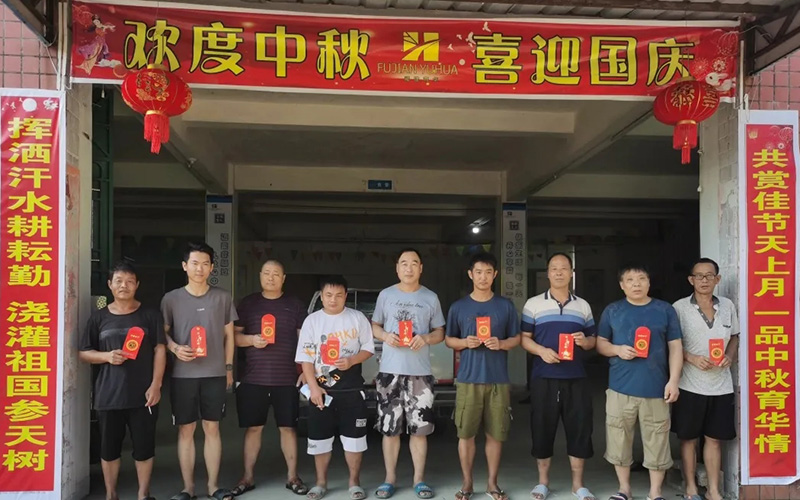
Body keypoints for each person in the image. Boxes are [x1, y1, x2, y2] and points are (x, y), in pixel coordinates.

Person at [79, 261, 166, 500]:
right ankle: (111, 494)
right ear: (110, 284)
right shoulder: (98, 318)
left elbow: (160, 349)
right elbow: (84, 353)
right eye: (118, 281)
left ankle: (143, 493)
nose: (124, 286)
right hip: (108, 395)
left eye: (129, 281)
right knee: (109, 449)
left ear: (137, 285)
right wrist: (106, 356)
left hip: (144, 394)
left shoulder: (150, 315)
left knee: (144, 447)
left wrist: (156, 384)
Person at [596, 265, 683, 500]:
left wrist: (673, 380)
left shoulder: (664, 310)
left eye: (642, 278)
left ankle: (655, 493)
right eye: (630, 279)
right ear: (622, 285)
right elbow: (600, 343)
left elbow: (675, 347)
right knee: (619, 438)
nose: (636, 283)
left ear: (649, 283)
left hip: (655, 387)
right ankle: (624, 489)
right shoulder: (613, 310)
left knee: (658, 440)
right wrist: (617, 350)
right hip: (620, 387)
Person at [162, 242, 237, 500]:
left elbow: (229, 336)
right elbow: (163, 333)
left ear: (212, 267)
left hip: (214, 373)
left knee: (212, 428)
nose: (199, 268)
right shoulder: (171, 299)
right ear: (184, 266)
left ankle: (213, 486)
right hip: (182, 375)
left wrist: (228, 368)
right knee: (185, 430)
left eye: (205, 264)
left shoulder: (222, 297)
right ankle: (188, 488)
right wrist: (175, 348)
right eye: (194, 263)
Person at [521, 253, 597, 500]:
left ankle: (578, 485)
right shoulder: (533, 304)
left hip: (576, 377)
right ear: (548, 273)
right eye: (554, 268)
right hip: (544, 377)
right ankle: (543, 482)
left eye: (564, 268)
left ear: (571, 273)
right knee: (542, 427)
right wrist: (541, 351)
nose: (559, 272)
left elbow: (593, 340)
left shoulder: (583, 306)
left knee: (579, 429)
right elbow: (524, 339)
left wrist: (585, 341)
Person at [371, 248, 446, 499]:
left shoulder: (430, 297)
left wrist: (425, 338)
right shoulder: (386, 295)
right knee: (390, 429)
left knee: (419, 430)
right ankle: (389, 479)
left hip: (420, 374)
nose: (409, 268)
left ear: (421, 268)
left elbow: (440, 332)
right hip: (389, 372)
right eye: (404, 263)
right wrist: (385, 336)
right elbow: (374, 325)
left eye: (414, 263)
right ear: (397, 268)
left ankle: (419, 480)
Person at [445, 252, 520, 500]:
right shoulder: (458, 307)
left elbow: (516, 338)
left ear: (495, 275)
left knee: (495, 434)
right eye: (478, 272)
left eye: (488, 272)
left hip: (498, 379)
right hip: (468, 379)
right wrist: (464, 342)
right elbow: (448, 339)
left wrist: (502, 343)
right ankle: (467, 484)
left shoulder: (505, 306)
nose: (483, 277)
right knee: (465, 434)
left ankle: (492, 484)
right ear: (470, 274)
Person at [231, 259, 308, 496]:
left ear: (283, 278)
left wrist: (305, 371)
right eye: (267, 273)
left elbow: (305, 341)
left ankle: (292, 477)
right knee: (253, 428)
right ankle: (247, 477)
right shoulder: (248, 303)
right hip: (254, 378)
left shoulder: (295, 305)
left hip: (287, 378)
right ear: (260, 276)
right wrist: (251, 340)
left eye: (276, 274)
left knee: (288, 428)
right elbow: (234, 338)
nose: (271, 277)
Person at [295, 275, 375, 500]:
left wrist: (351, 361)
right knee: (319, 440)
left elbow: (368, 349)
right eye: (328, 295)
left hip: (351, 389)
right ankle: (320, 483)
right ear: (321, 296)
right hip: (322, 390)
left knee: (354, 440)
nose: (333, 299)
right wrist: (314, 388)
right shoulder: (312, 321)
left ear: (345, 296)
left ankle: (354, 483)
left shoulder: (357, 318)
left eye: (339, 295)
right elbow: (306, 358)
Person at [671, 258, 739, 500]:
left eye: (709, 275)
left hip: (721, 386)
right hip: (689, 384)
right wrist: (691, 358)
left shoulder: (727, 305)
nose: (704, 280)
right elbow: (671, 343)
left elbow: (734, 336)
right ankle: (690, 488)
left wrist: (730, 356)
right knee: (688, 439)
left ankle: (713, 490)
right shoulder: (679, 308)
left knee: (714, 439)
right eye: (699, 276)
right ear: (691, 280)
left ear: (717, 279)